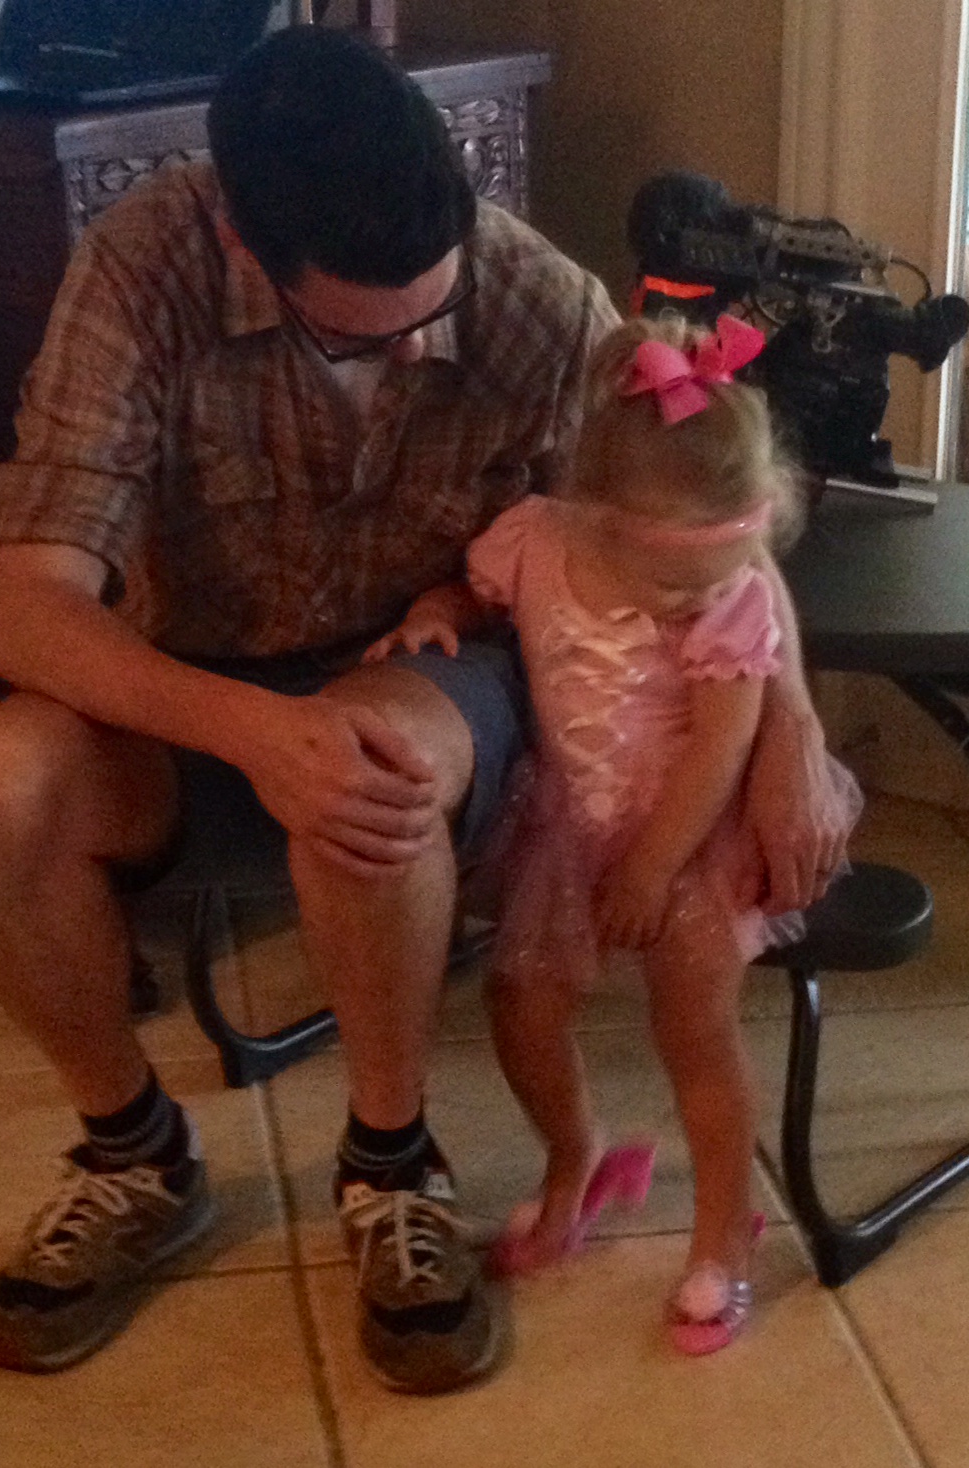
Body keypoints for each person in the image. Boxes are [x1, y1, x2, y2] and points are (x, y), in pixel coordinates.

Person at [0, 23, 848, 1392]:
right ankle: (133, 1153)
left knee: (370, 763)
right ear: (239, 238)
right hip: (197, 678)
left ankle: (391, 1162)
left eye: (434, 312)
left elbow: (704, 499)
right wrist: (250, 727)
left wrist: (793, 725)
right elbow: (26, 610)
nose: (416, 350)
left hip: (425, 664)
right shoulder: (138, 269)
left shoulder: (526, 289)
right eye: (367, 330)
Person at [365, 313, 862, 1355]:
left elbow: (721, 748)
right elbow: (476, 591)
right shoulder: (535, 539)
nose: (703, 596)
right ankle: (576, 1154)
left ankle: (724, 1228)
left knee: (694, 1031)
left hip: (691, 838)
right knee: (521, 1002)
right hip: (570, 820)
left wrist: (650, 867)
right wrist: (436, 608)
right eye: (677, 580)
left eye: (726, 568)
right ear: (590, 516)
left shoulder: (731, 598)